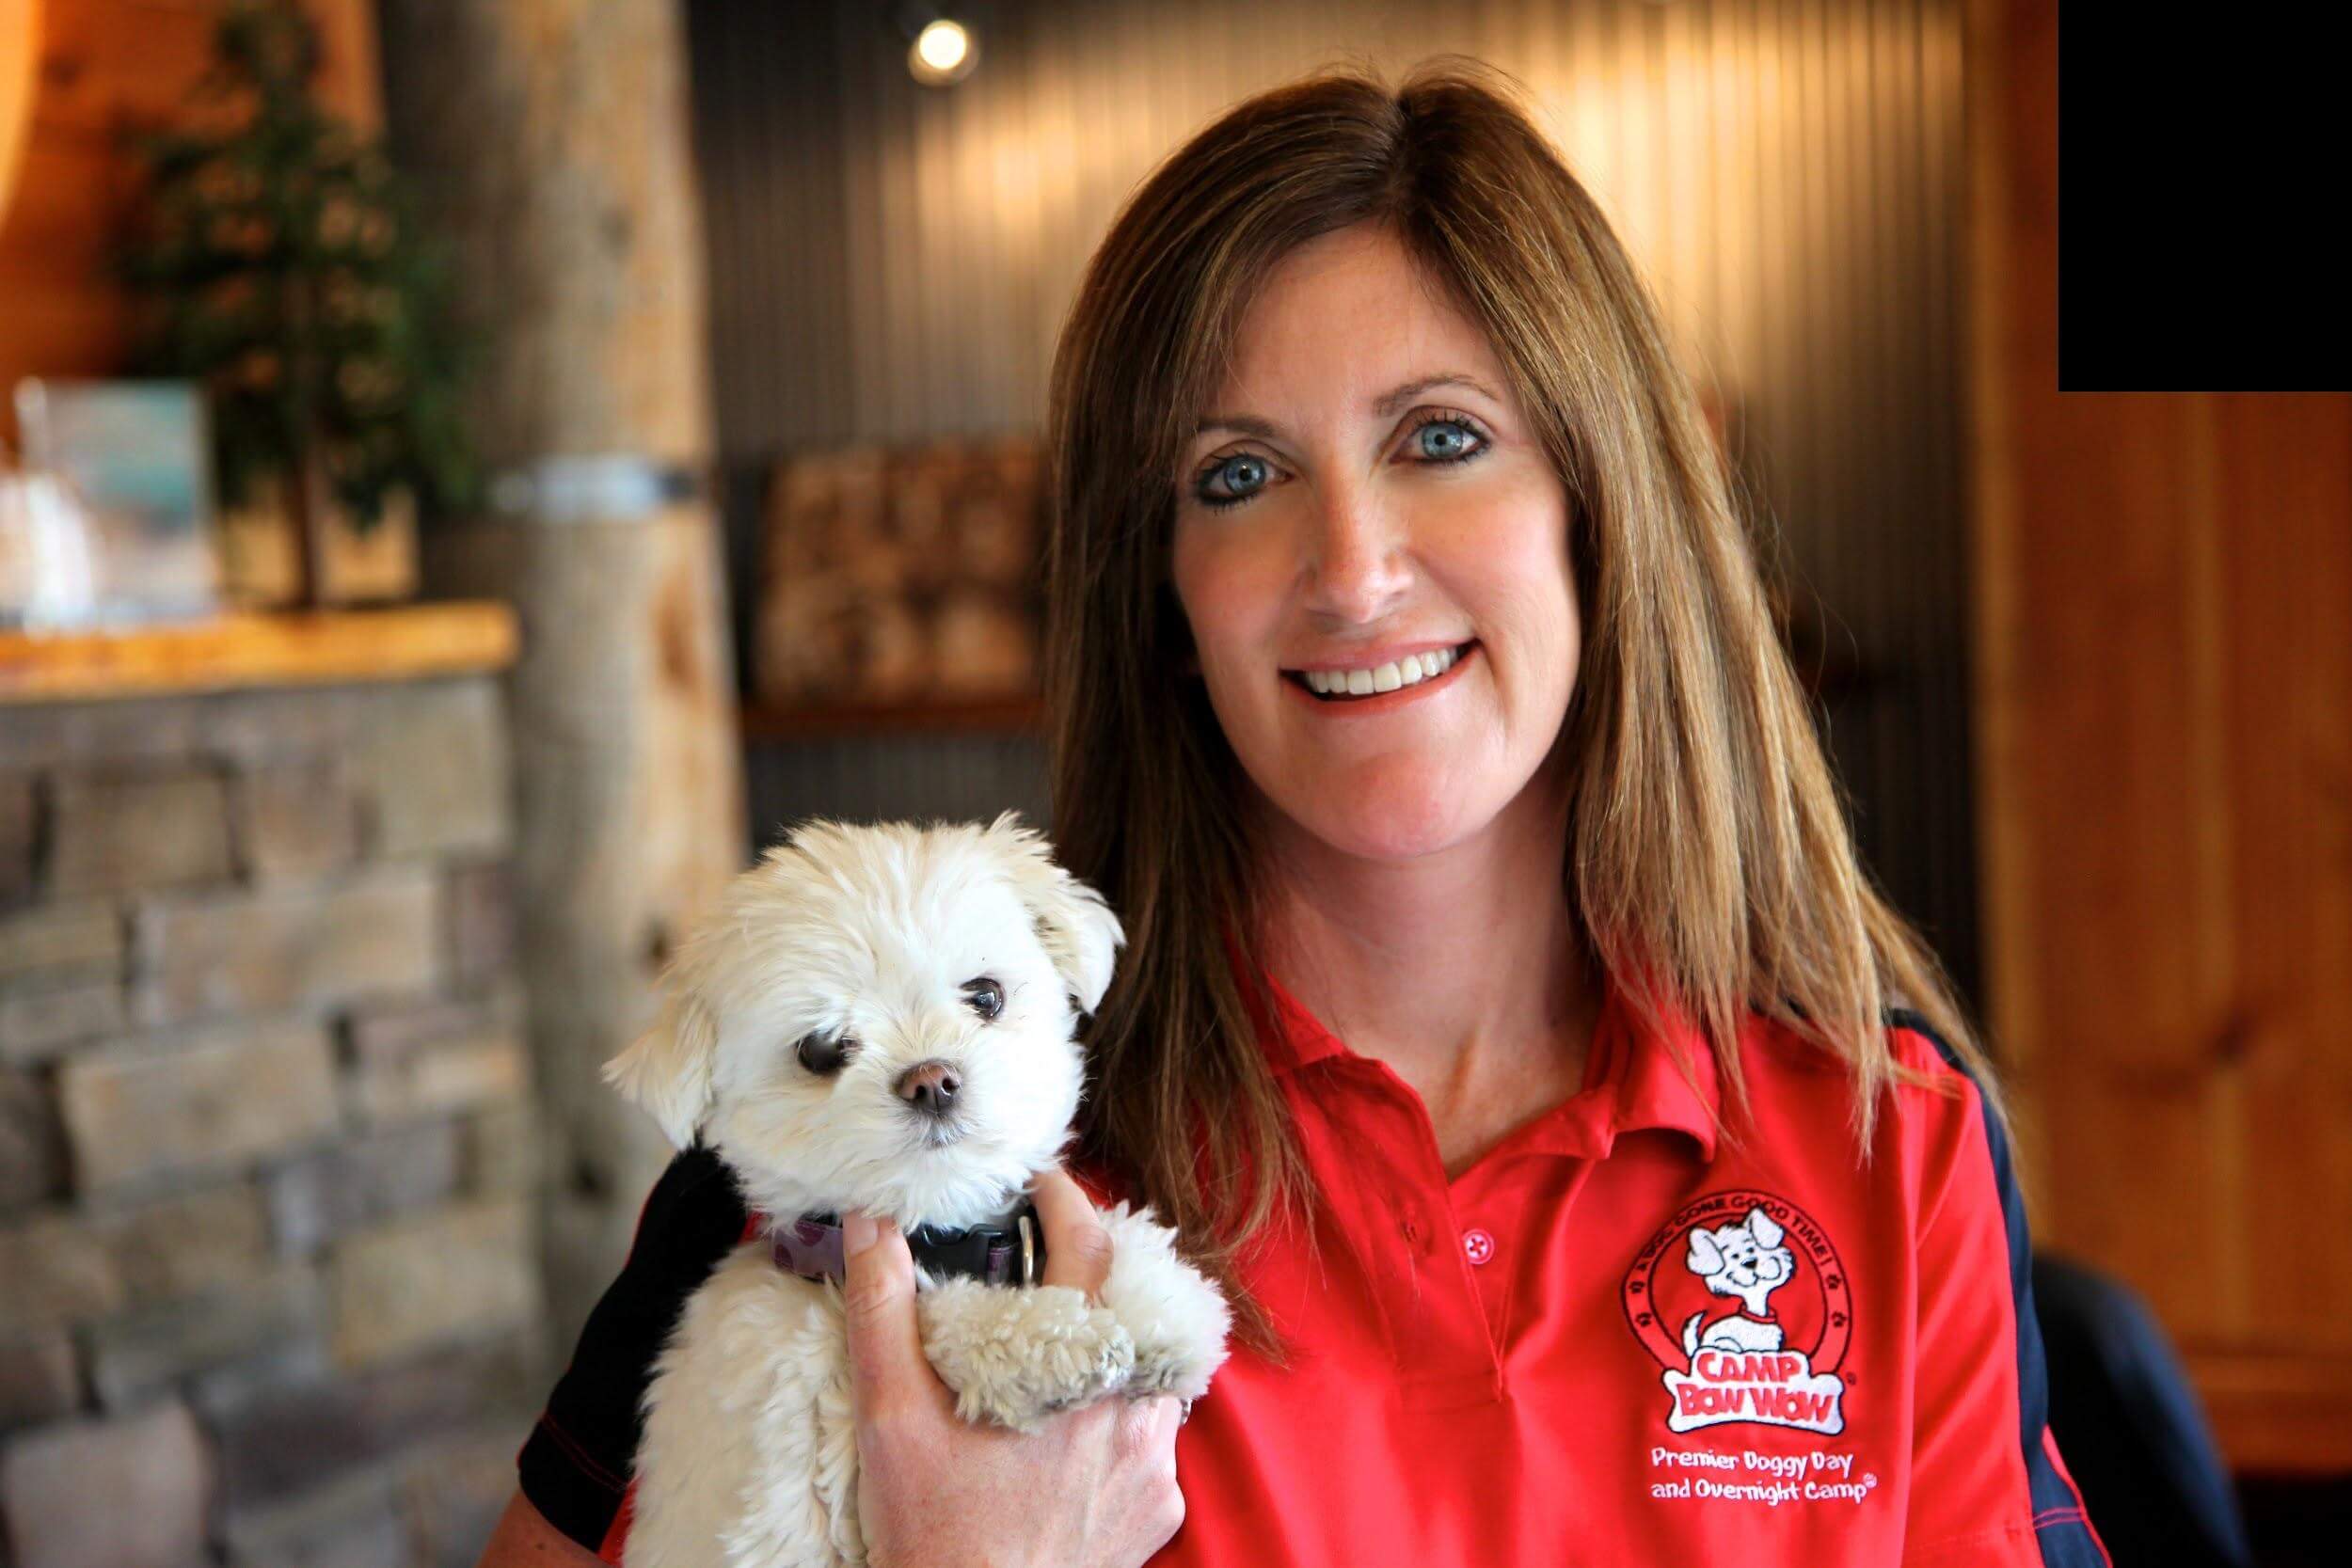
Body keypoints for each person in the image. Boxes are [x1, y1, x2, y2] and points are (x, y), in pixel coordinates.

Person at [477, 61, 2110, 1568]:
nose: (1351, 571)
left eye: (1443, 439)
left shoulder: (1888, 1132)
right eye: (1237, 476)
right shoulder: (881, 1144)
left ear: (1604, 511)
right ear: (1161, 595)